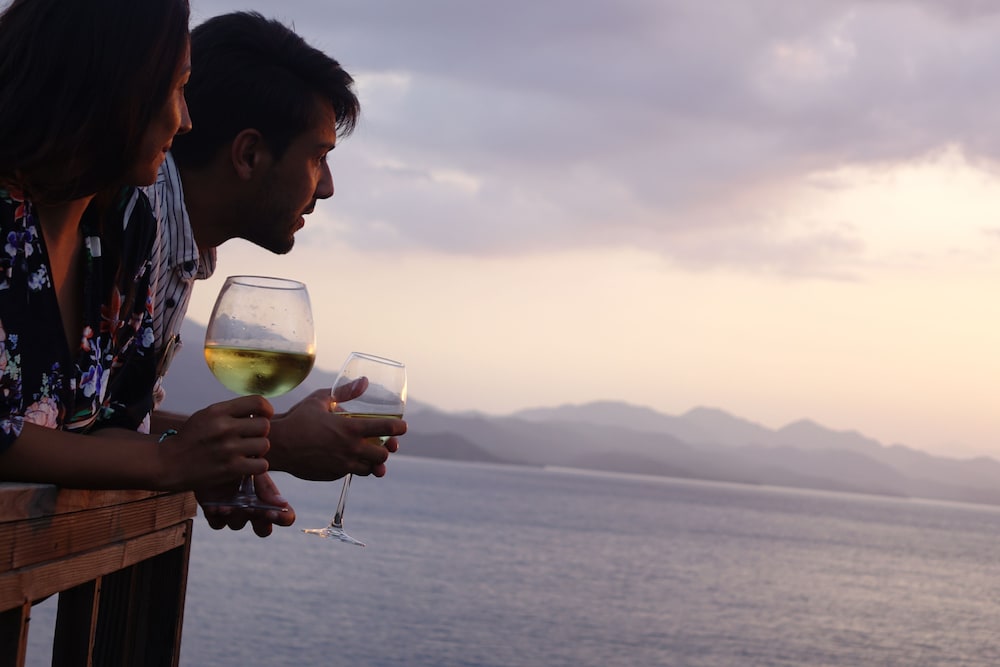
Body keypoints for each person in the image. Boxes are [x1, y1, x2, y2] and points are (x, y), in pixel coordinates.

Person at [0, 0, 279, 507]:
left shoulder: (124, 230)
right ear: (115, 87)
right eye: (177, 88)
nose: (186, 121)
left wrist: (199, 462)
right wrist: (166, 464)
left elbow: (116, 424)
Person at [147, 11, 406, 531]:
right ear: (249, 154)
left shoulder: (180, 244)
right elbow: (30, 428)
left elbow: (109, 425)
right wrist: (277, 442)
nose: (327, 187)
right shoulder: (131, 222)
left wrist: (240, 452)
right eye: (318, 157)